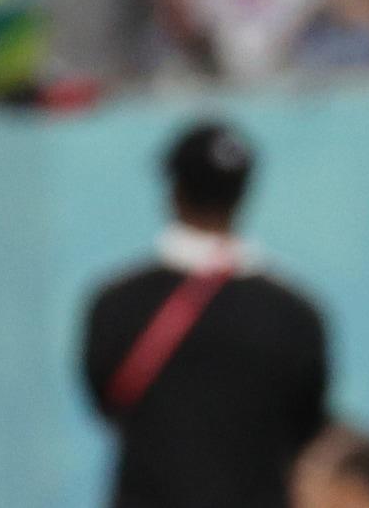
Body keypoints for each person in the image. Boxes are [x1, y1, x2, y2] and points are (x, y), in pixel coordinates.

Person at [83, 121, 329, 508]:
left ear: (174, 191)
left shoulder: (115, 304)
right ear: (243, 193)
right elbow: (307, 424)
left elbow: (103, 403)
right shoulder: (295, 313)